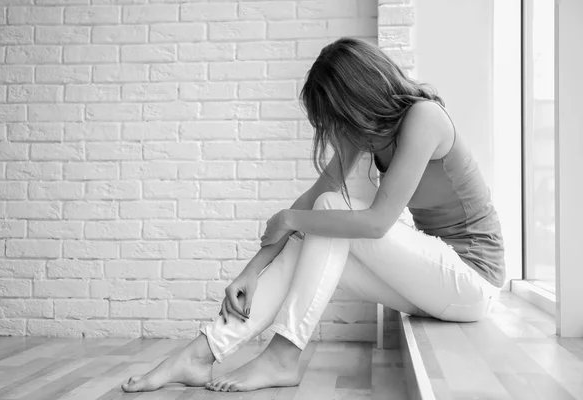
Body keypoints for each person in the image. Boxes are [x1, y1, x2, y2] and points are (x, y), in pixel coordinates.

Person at [122, 37, 505, 393]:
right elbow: (312, 199)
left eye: (338, 115)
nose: (337, 128)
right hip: (430, 287)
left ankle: (282, 356)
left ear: (360, 94)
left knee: (327, 214)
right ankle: (201, 353)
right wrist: (251, 271)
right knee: (319, 225)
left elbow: (375, 223)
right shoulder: (369, 133)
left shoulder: (425, 118)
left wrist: (290, 220)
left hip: (472, 280)